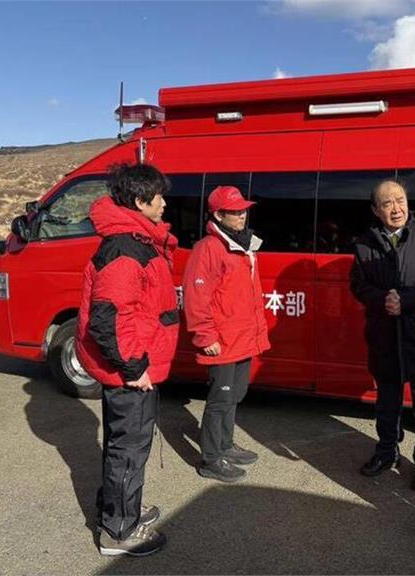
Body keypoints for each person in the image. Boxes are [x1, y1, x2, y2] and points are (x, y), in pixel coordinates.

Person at [75, 163, 178, 557]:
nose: (165, 203)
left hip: (137, 363)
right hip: (132, 370)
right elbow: (109, 318)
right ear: (140, 201)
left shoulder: (136, 239)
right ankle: (119, 530)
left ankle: (122, 509)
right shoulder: (125, 247)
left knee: (127, 446)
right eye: (159, 197)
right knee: (128, 448)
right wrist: (134, 368)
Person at [350, 180, 415, 492]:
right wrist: (383, 300)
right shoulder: (364, 243)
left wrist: (404, 300)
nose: (396, 208)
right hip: (383, 334)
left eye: (400, 200)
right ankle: (386, 452)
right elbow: (358, 285)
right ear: (375, 210)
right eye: (387, 203)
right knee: (387, 402)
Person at [182, 186, 271, 483]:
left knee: (236, 395)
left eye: (244, 209)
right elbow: (197, 296)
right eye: (234, 211)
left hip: (242, 338)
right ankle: (210, 458)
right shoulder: (209, 248)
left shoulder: (242, 244)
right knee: (220, 399)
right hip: (222, 341)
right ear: (218, 215)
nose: (242, 215)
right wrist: (205, 337)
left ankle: (225, 444)